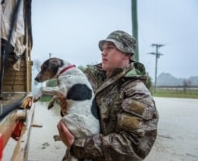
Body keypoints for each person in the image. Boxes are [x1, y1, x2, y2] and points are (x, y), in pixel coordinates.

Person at [57, 30, 159, 161]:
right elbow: (81, 112)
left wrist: (77, 146)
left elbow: (131, 145)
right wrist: (66, 109)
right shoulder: (90, 78)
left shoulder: (136, 93)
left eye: (110, 48)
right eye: (103, 48)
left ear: (126, 54)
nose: (103, 52)